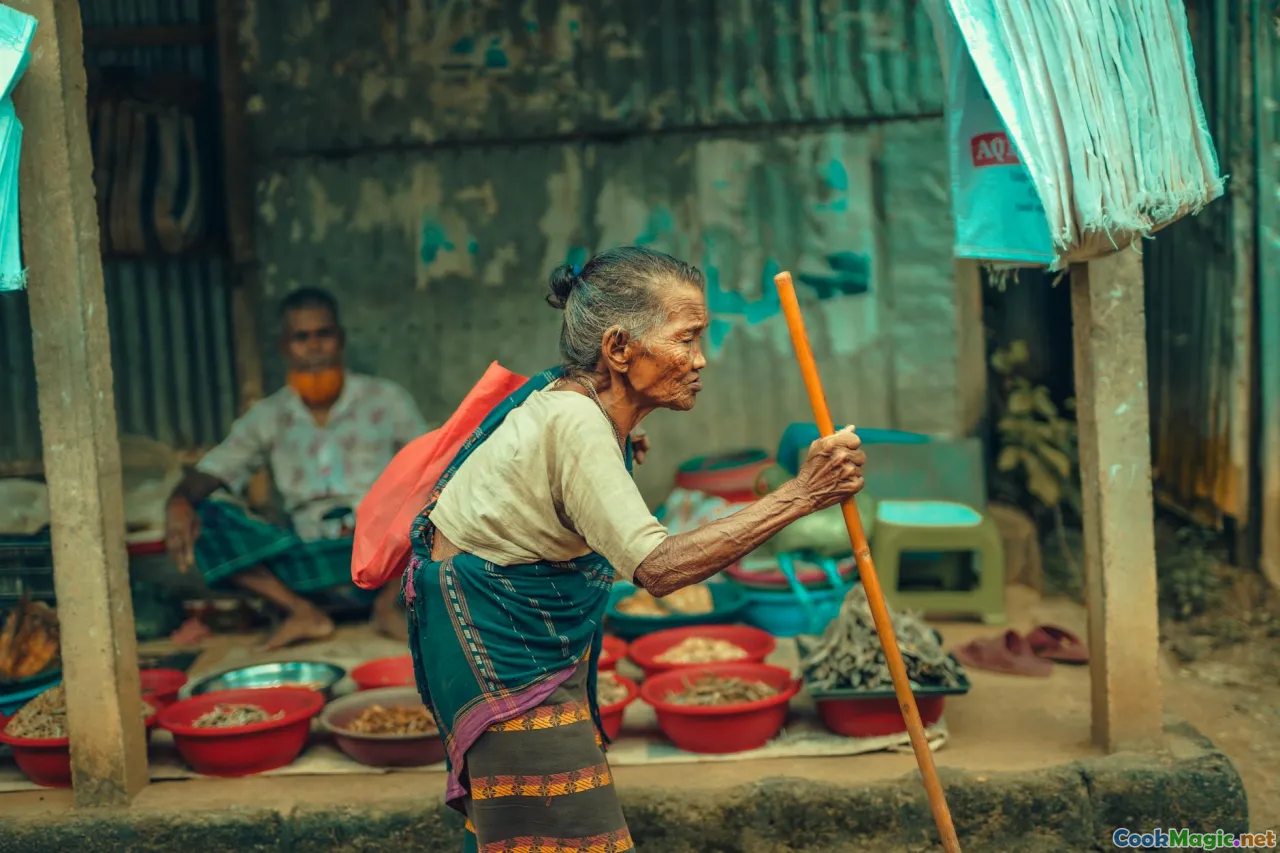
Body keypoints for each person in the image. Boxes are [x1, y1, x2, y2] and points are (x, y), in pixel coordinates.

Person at [401, 247, 866, 852]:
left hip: (502, 631)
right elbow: (659, 567)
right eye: (687, 338)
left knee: (512, 825)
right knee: (558, 827)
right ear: (619, 349)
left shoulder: (574, 399)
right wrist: (803, 494)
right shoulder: (577, 424)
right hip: (499, 646)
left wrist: (618, 442)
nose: (700, 359)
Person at [165, 287, 428, 649]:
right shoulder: (269, 415)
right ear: (284, 346)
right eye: (301, 337)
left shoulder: (386, 400)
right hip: (305, 561)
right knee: (206, 515)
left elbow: (434, 462)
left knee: (438, 492)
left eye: (324, 334)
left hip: (385, 555)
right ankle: (302, 612)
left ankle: (388, 608)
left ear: (341, 339)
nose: (314, 347)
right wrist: (178, 501)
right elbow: (213, 470)